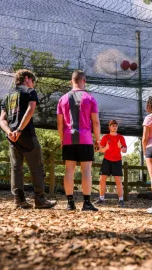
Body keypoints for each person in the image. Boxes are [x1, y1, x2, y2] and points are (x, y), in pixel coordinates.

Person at [0, 69, 57, 209]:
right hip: (27, 135)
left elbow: (2, 119)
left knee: (16, 168)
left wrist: (9, 132)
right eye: (32, 81)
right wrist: (19, 130)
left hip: (12, 138)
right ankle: (40, 200)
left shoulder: (7, 96)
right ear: (26, 78)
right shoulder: (30, 92)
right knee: (37, 167)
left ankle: (19, 200)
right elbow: (30, 110)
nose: (33, 84)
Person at [57, 70, 101, 211]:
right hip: (85, 139)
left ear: (71, 81)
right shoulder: (90, 98)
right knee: (86, 170)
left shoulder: (62, 99)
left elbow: (60, 124)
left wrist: (62, 140)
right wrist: (98, 140)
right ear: (84, 81)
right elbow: (96, 122)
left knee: (69, 170)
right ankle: (86, 203)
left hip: (68, 139)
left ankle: (70, 203)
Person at [94, 120, 127, 207]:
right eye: (112, 125)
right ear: (109, 127)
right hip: (107, 160)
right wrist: (106, 148)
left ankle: (121, 200)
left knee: (118, 181)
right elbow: (100, 150)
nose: (114, 127)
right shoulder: (105, 137)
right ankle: (101, 199)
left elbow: (125, 150)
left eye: (116, 125)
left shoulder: (121, 137)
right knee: (102, 180)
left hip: (117, 161)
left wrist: (121, 147)